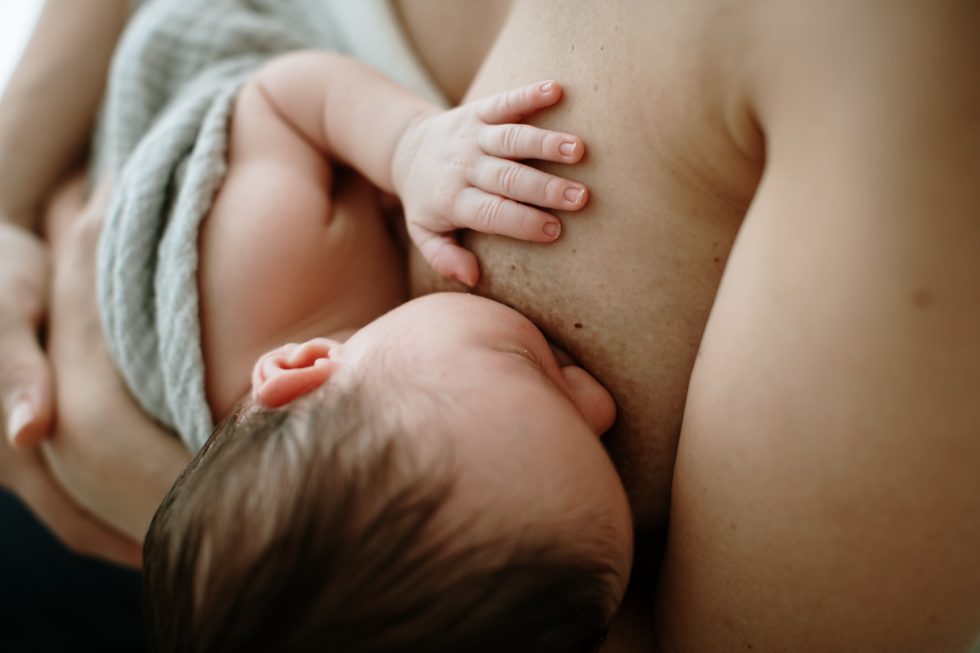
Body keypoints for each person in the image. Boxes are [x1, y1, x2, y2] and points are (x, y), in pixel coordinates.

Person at [6, 0, 980, 651]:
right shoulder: (364, 447)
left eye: (534, 366)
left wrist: (406, 146)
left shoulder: (267, 264)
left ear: (304, 365)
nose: (593, 396)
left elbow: (273, 94)